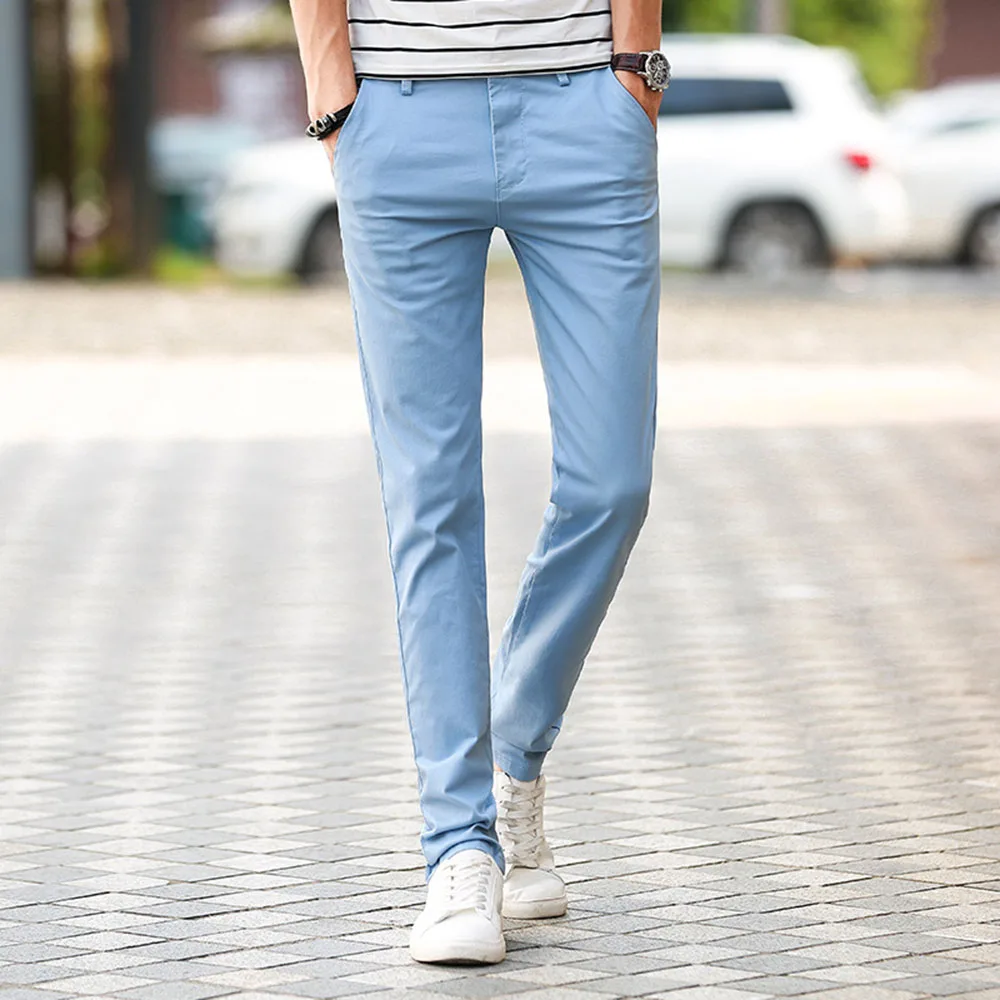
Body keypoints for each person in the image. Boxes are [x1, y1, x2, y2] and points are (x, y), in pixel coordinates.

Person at [289, 0, 667, 966]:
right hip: (398, 112)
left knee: (613, 481)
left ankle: (514, 749)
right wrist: (333, 95)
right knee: (432, 497)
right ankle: (459, 848)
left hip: (586, 105)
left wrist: (635, 67)